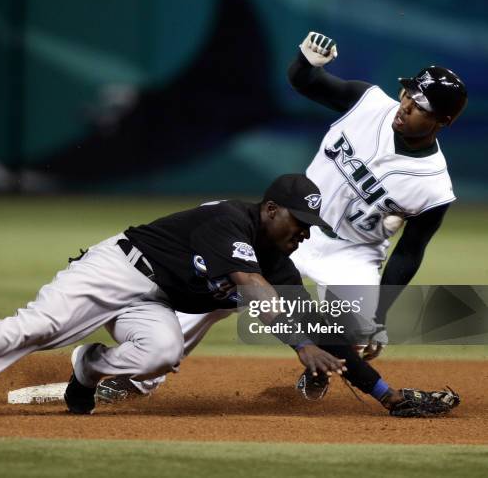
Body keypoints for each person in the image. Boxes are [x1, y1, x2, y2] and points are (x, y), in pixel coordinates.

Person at [97, 30, 468, 404]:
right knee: (217, 294)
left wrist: (382, 312)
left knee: (356, 333)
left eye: (420, 104)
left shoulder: (435, 187)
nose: (406, 104)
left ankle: (318, 366)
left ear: (444, 119)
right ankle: (136, 377)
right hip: (292, 230)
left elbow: (409, 251)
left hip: (354, 252)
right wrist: (306, 63)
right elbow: (306, 82)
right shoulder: (369, 103)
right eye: (408, 93)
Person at [0, 174, 347, 417]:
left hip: (153, 301)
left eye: (312, 227)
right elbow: (252, 289)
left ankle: (88, 368)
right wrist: (302, 346)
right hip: (116, 269)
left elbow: (305, 312)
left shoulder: (278, 260)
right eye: (299, 222)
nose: (306, 232)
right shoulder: (230, 220)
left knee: (163, 353)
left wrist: (358, 358)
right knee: (40, 328)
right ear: (269, 210)